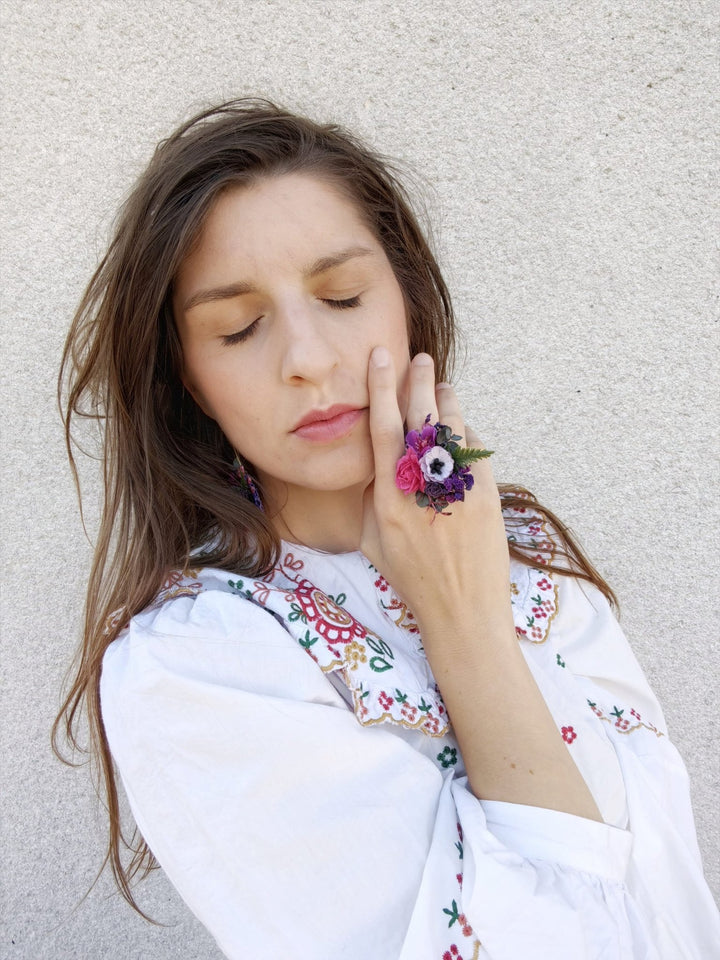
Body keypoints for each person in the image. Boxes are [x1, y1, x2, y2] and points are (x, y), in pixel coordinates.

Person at [54, 99, 719, 959]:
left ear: (406, 302)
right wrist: (462, 624)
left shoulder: (526, 554)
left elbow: (672, 897)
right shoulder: (198, 663)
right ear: (188, 380)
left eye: (342, 295)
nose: (308, 358)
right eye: (239, 327)